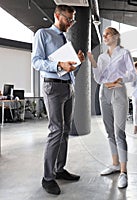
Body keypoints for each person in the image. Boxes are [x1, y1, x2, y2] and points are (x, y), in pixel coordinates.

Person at [31, 5, 85, 195]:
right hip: (53, 87)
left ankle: (59, 169)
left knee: (65, 130)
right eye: (68, 19)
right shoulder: (43, 34)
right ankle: (47, 178)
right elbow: (36, 61)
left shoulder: (65, 40)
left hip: (68, 87)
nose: (70, 23)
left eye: (72, 20)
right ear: (57, 16)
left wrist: (76, 63)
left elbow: (66, 68)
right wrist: (58, 64)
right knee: (56, 130)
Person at [87, 27, 136, 189]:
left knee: (119, 133)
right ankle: (115, 164)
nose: (105, 36)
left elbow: (132, 74)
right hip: (104, 92)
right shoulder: (101, 57)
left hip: (118, 92)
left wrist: (119, 78)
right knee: (109, 132)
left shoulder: (124, 53)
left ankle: (123, 172)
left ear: (116, 36)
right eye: (104, 35)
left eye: (108, 34)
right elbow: (99, 77)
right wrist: (93, 63)